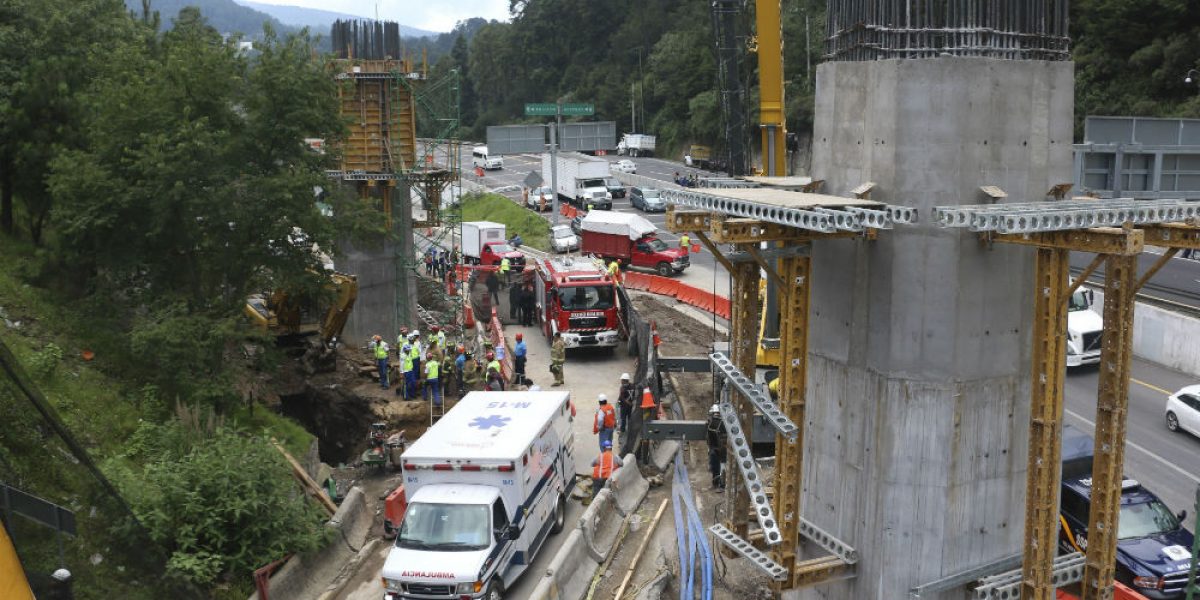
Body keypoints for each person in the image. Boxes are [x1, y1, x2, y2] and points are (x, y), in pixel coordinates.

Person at [705, 403, 727, 491]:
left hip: (721, 448)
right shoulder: (710, 424)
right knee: (716, 466)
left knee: (722, 466)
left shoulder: (722, 424)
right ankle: (716, 483)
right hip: (715, 448)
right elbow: (709, 438)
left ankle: (722, 485)